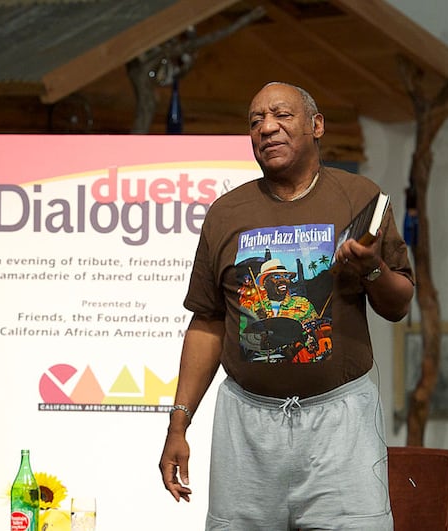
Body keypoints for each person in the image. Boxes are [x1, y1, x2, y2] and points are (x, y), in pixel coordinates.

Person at [159, 81, 414, 530]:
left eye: (281, 115)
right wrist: (178, 424)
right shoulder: (226, 214)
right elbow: (208, 323)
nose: (267, 128)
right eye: (256, 121)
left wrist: (373, 268)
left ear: (316, 125)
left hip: (342, 428)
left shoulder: (360, 197)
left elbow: (398, 305)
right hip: (247, 431)